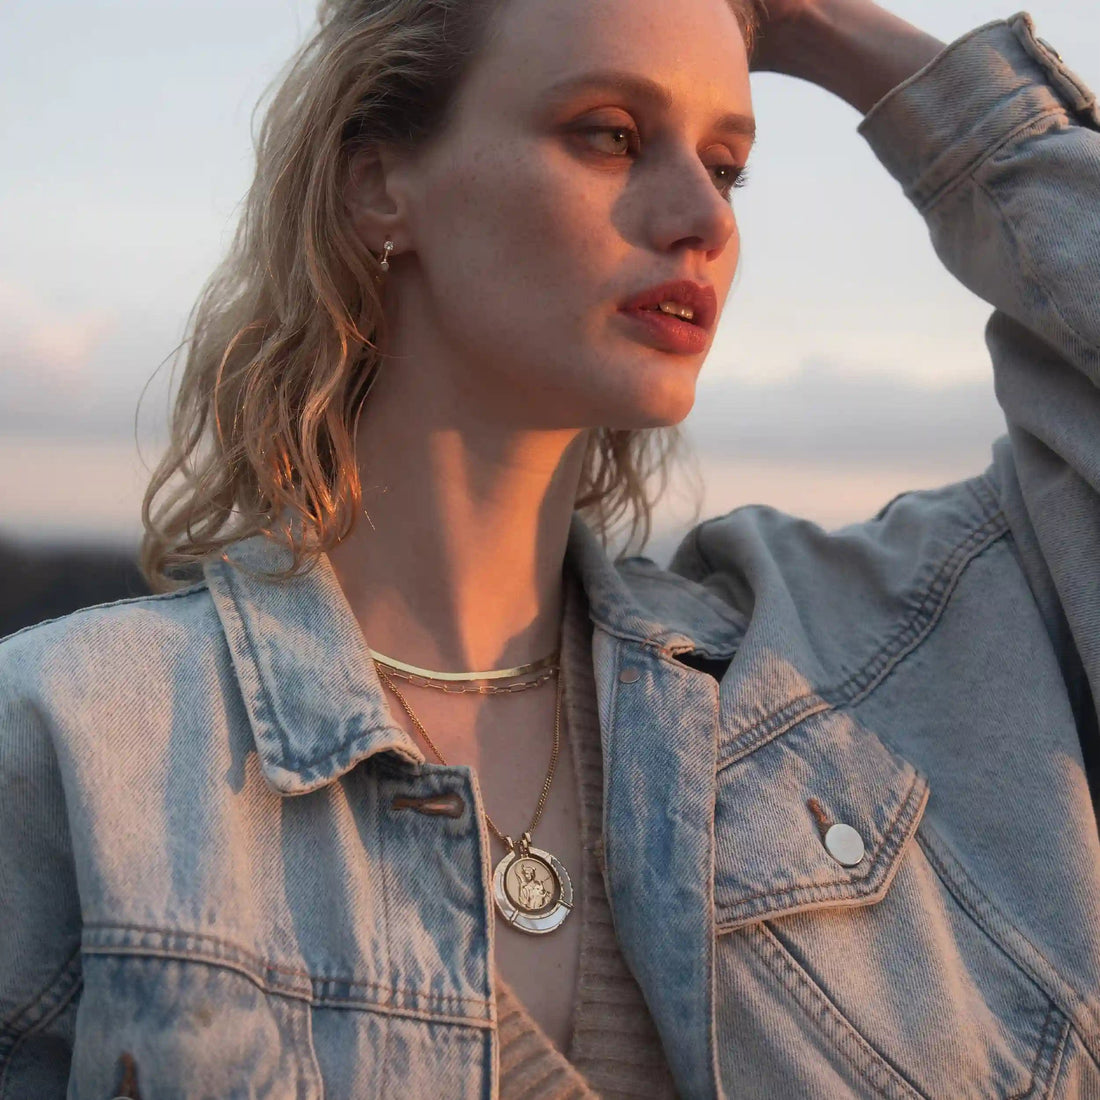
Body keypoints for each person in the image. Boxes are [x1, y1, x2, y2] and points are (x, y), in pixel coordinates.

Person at [2, 0, 1098, 1094]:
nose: (702, 221)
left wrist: (822, 28)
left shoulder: (856, 660)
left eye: (726, 168)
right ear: (378, 186)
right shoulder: (83, 742)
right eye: (610, 135)